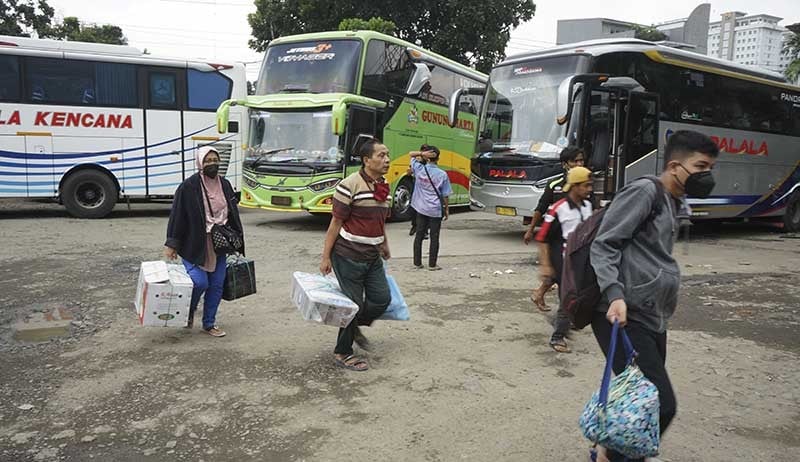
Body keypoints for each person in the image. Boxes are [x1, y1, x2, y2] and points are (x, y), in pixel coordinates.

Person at [590, 130, 718, 462]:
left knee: (644, 400)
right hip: (623, 313)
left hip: (652, 316)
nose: (707, 175)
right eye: (701, 166)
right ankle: (616, 456)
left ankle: (611, 453)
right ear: (675, 165)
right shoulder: (645, 191)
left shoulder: (674, 201)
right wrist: (614, 294)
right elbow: (604, 244)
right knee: (662, 403)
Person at [320, 137, 392, 372]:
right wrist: (326, 257)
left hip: (372, 256)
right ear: (366, 160)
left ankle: (354, 325)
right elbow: (335, 223)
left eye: (387, 155)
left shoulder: (384, 185)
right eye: (381, 155)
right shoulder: (349, 185)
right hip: (347, 255)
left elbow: (380, 221)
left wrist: (384, 244)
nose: (387, 160)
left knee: (382, 299)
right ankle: (343, 352)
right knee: (352, 306)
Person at [164, 146, 244, 337]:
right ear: (200, 163)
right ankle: (187, 312)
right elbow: (177, 216)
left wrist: (237, 240)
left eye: (215, 160)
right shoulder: (188, 187)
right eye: (207, 161)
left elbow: (233, 213)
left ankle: (209, 324)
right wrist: (172, 244)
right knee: (200, 283)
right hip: (195, 243)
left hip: (219, 243)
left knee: (216, 284)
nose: (212, 164)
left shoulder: (224, 184)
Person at [534, 166, 594, 353]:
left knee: (582, 297)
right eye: (586, 186)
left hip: (583, 261)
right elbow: (543, 238)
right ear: (574, 186)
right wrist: (545, 266)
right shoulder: (557, 209)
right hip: (563, 262)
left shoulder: (588, 206)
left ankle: (566, 322)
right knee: (568, 299)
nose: (590, 189)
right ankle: (558, 336)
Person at [523, 146, 588, 311]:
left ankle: (540, 295)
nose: (579, 164)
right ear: (565, 164)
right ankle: (565, 317)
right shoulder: (555, 184)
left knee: (564, 274)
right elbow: (541, 208)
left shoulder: (586, 184)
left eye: (581, 160)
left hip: (577, 239)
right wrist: (531, 230)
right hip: (556, 238)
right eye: (575, 161)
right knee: (561, 273)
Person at [409, 145, 452, 271]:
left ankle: (417, 263)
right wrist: (447, 209)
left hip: (420, 208)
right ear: (438, 158)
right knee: (435, 236)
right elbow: (445, 194)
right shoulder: (442, 174)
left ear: (427, 157)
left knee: (419, 235)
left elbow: (410, 154)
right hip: (435, 209)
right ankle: (432, 265)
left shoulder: (418, 168)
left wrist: (422, 154)